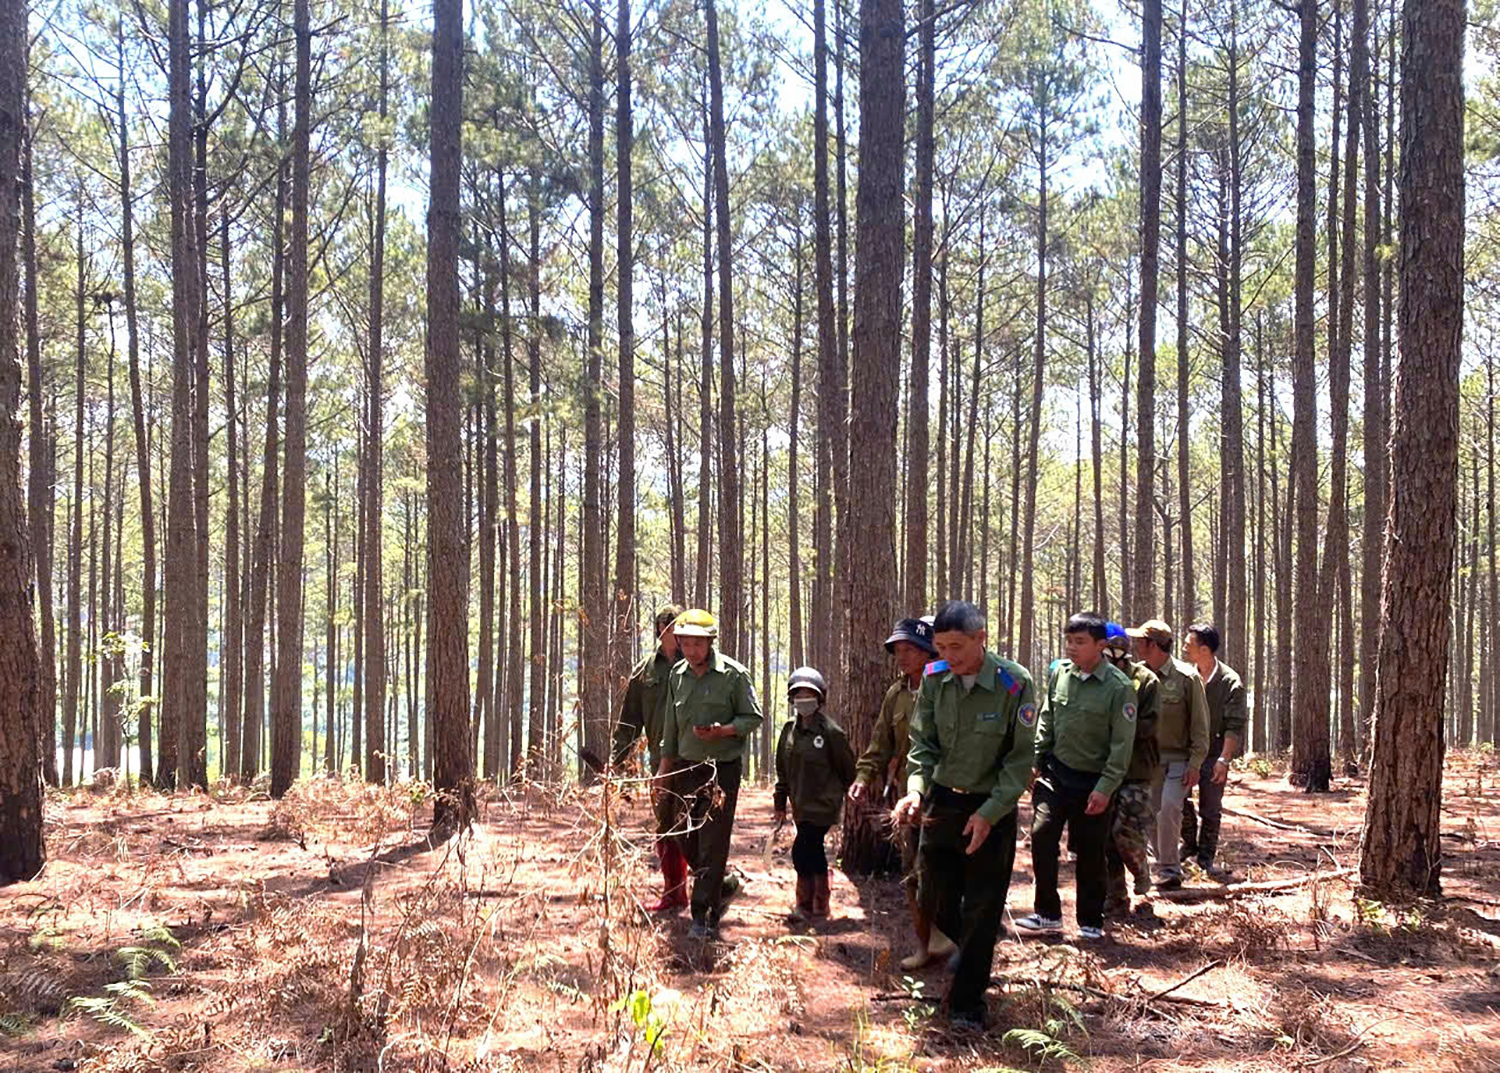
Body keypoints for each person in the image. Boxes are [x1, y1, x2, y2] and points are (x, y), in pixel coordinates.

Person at [892, 601, 1035, 1031]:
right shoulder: (935, 680)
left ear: (981, 639)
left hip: (993, 808)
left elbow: (1018, 761)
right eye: (940, 647)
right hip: (943, 806)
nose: (948, 656)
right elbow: (923, 746)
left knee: (982, 909)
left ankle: (968, 1007)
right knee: (933, 896)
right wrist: (916, 791)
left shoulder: (1014, 684)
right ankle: (972, 952)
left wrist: (990, 813)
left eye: (956, 647)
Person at [1016, 612, 1137, 941]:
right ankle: (1047, 913)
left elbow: (1121, 745)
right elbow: (1047, 718)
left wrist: (1105, 788)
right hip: (1055, 775)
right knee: (1041, 837)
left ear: (1101, 645)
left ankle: (1090, 920)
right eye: (1069, 640)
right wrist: (1036, 759)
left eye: (1080, 642)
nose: (1072, 647)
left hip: (1093, 782)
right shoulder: (1060, 675)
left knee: (1090, 852)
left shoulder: (1119, 687)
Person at [850, 617, 956, 969]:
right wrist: (864, 777)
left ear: (928, 653)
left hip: (947, 794)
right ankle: (925, 944)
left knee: (945, 868)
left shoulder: (947, 687)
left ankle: (958, 942)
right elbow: (880, 742)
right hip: (907, 798)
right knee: (912, 871)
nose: (902, 657)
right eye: (898, 650)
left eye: (909, 649)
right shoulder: (896, 694)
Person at [657, 608, 763, 940]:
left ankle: (704, 917)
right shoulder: (677, 675)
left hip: (722, 770)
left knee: (712, 842)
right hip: (685, 768)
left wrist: (724, 731)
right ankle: (724, 884)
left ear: (711, 642)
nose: (691, 651)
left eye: (698, 645)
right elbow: (670, 726)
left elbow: (753, 717)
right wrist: (664, 767)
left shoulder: (734, 675)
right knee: (679, 831)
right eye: (685, 644)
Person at [610, 604, 686, 913]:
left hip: (696, 757)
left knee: (696, 829)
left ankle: (711, 891)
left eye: (678, 627)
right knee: (666, 826)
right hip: (660, 763)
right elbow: (629, 722)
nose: (673, 633)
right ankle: (674, 894)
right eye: (668, 627)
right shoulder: (645, 671)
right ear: (659, 630)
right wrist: (620, 766)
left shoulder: (696, 663)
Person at [1128, 618, 1209, 890]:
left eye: (1141, 641)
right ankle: (1163, 862)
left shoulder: (1188, 678)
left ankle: (1170, 870)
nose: (1136, 645)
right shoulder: (1135, 676)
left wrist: (1196, 763)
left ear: (1154, 645)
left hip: (1178, 760)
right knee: (1150, 813)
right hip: (1147, 761)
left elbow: (1200, 725)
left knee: (1170, 808)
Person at [774, 666, 856, 923]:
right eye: (798, 694)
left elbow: (847, 769)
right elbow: (782, 770)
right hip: (800, 803)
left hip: (823, 804)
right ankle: (813, 905)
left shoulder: (831, 732)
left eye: (809, 694)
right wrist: (780, 803)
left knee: (803, 849)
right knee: (811, 850)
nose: (803, 699)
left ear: (819, 698)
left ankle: (812, 904)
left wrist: (848, 796)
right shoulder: (789, 730)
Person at [1100, 622, 1160, 917]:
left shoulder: (1145, 680)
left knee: (1127, 830)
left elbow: (1149, 724)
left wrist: (1120, 728)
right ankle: (1116, 896)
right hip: (1103, 770)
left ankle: (1141, 868)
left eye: (1118, 651)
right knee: (1106, 836)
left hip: (1136, 769)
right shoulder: (1096, 679)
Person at [1180, 622, 1248, 879]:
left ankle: (1205, 859)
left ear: (1205, 650)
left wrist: (1224, 759)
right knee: (1177, 801)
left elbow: (1234, 726)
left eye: (1190, 644)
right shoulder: (1185, 676)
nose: (1185, 647)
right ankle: (1189, 844)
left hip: (1214, 754)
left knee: (1210, 808)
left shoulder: (1230, 682)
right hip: (1186, 754)